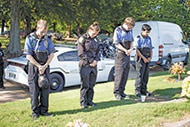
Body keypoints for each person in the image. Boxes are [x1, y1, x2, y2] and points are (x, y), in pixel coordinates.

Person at [23, 19, 56, 120]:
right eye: (42, 31)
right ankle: (35, 112)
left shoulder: (48, 39)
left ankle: (44, 111)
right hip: (33, 66)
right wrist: (38, 66)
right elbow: (28, 56)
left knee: (45, 90)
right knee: (34, 91)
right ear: (37, 28)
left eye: (45, 31)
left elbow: (52, 54)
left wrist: (45, 66)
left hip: (45, 66)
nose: (43, 34)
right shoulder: (29, 38)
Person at [77, 21, 100, 109]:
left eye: (96, 34)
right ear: (89, 30)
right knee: (85, 85)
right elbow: (81, 53)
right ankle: (83, 102)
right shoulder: (82, 39)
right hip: (85, 64)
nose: (94, 35)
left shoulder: (96, 39)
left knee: (91, 84)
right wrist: (90, 61)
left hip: (94, 65)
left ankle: (90, 101)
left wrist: (96, 61)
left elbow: (98, 51)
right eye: (93, 33)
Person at [113, 17, 135, 100]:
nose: (129, 29)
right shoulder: (118, 30)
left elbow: (132, 41)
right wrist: (125, 50)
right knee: (120, 74)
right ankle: (117, 92)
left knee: (125, 73)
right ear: (125, 24)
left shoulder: (130, 31)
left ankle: (122, 91)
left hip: (127, 54)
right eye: (129, 27)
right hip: (120, 54)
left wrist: (130, 49)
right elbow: (116, 43)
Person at [134, 24, 153, 99]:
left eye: (148, 32)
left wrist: (150, 57)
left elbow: (151, 48)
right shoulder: (138, 38)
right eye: (146, 32)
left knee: (146, 74)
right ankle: (137, 90)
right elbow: (137, 50)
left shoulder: (149, 38)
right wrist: (143, 58)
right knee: (140, 74)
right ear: (142, 31)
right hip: (140, 57)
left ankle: (144, 90)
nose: (147, 34)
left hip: (147, 57)